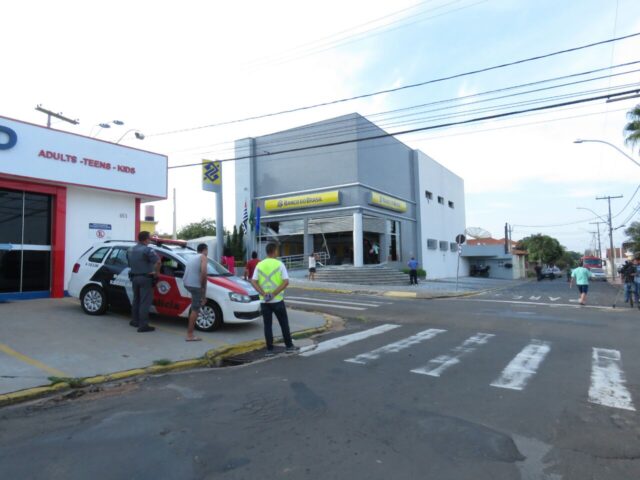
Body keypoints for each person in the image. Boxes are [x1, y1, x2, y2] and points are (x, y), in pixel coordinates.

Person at [251, 243, 298, 357]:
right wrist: (273, 294)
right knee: (284, 324)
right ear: (274, 251)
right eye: (277, 250)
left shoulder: (260, 265)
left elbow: (253, 281)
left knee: (267, 326)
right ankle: (289, 346)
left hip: (264, 301)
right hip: (277, 300)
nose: (278, 252)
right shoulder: (279, 264)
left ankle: (270, 350)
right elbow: (285, 282)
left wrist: (264, 294)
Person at [127, 231, 160, 332]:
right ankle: (143, 325)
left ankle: (135, 321)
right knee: (145, 302)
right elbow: (158, 262)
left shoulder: (130, 249)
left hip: (134, 277)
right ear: (146, 239)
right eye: (149, 238)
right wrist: (156, 273)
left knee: (136, 300)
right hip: (145, 278)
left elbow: (129, 263)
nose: (150, 240)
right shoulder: (147, 250)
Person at [183, 243, 208, 341]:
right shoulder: (203, 257)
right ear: (205, 250)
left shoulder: (192, 257)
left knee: (195, 304)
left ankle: (190, 332)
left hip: (187, 283)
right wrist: (203, 292)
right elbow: (204, 273)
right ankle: (190, 335)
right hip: (195, 285)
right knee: (195, 309)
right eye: (207, 250)